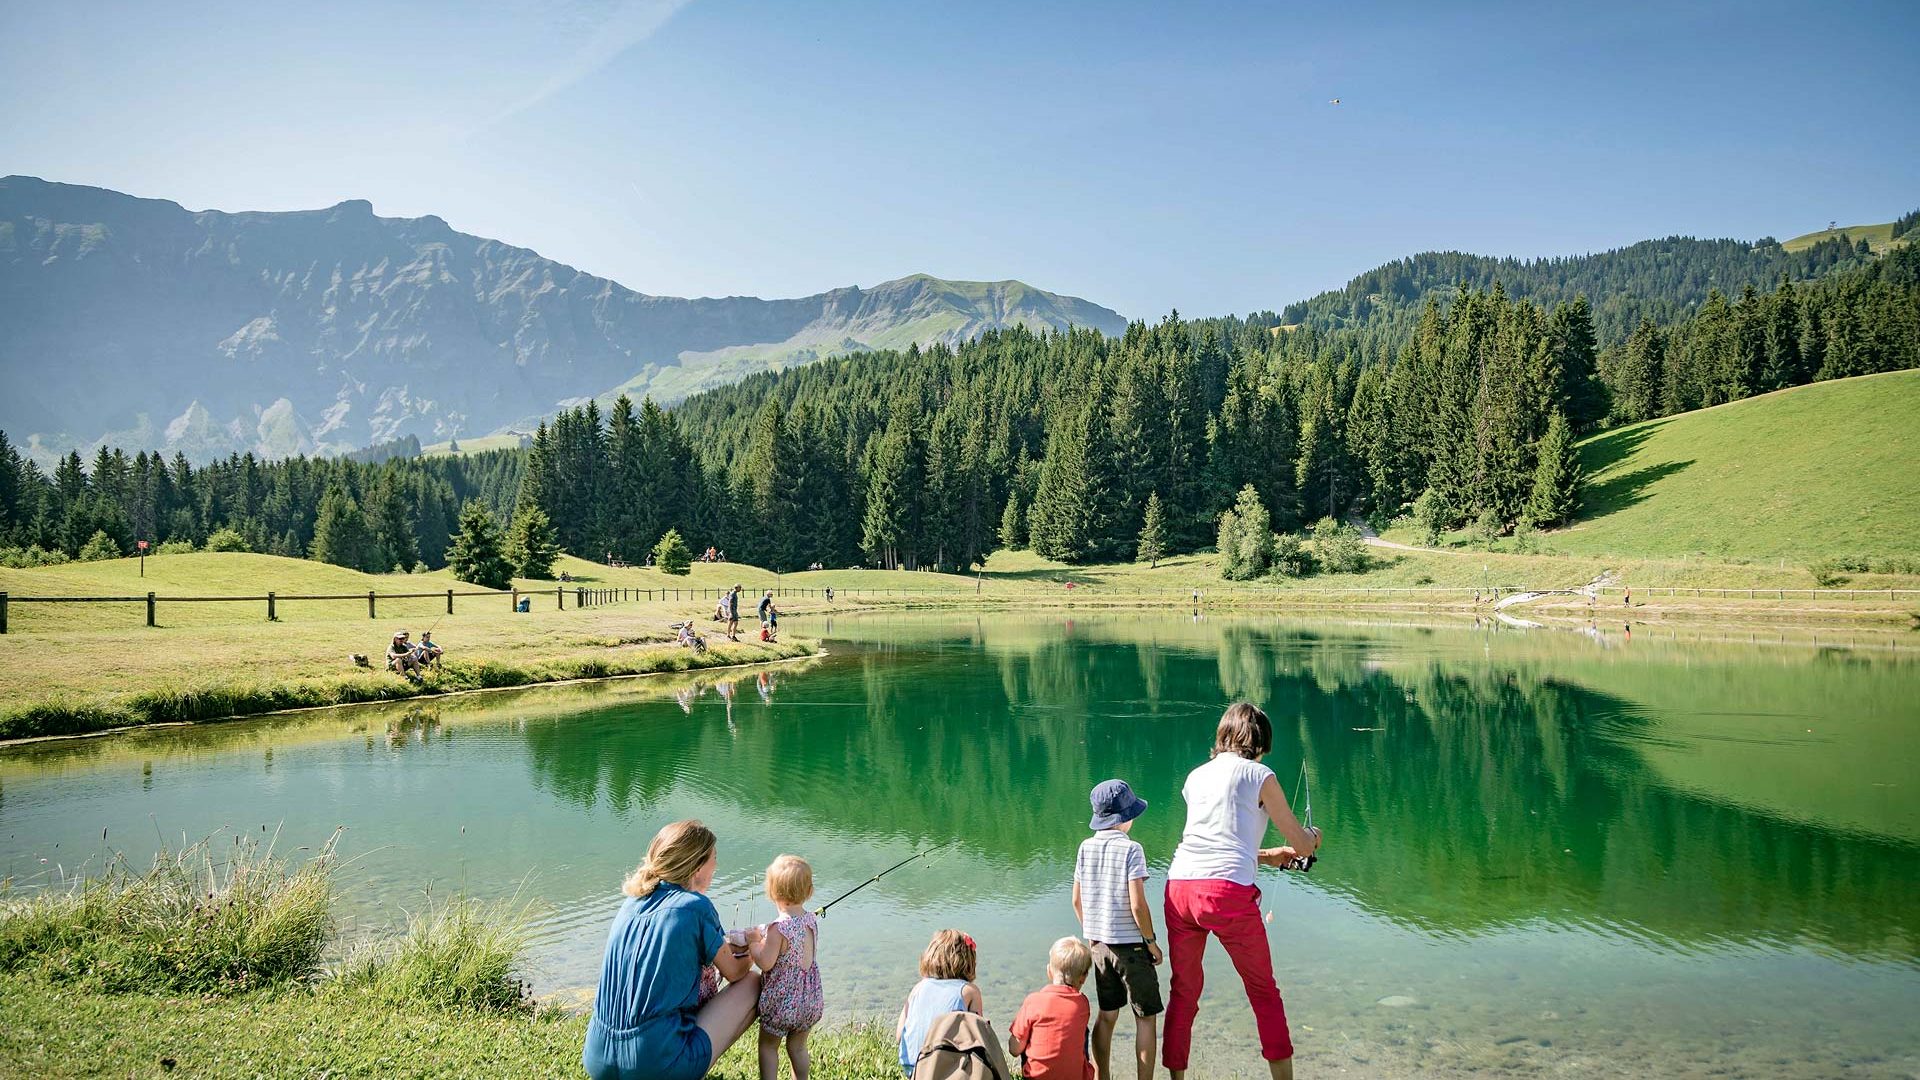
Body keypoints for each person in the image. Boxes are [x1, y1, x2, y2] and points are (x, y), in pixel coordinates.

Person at [1162, 703, 1321, 1080]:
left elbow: (1217, 842)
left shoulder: (1195, 776)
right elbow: (1301, 843)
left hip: (1180, 888)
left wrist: (1267, 857)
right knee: (1263, 992)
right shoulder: (1259, 775)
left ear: (1223, 736)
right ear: (1261, 741)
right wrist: (1312, 839)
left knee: (1184, 993)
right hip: (1226, 896)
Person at [582, 820, 762, 1080]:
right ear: (697, 867)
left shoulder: (632, 903)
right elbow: (735, 972)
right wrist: (752, 948)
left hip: (598, 1059)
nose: (717, 866)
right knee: (753, 984)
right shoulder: (696, 906)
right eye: (714, 858)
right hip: (654, 1064)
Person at [1074, 780, 1163, 1080]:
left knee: (1107, 1014)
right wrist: (1150, 942)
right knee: (1145, 1018)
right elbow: (1138, 905)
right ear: (1125, 817)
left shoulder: (1085, 847)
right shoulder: (1131, 850)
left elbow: (1076, 899)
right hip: (1132, 949)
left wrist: (1092, 931)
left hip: (1099, 945)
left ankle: (1103, 1077)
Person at [751, 855, 824, 1080]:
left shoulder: (778, 929)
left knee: (768, 1047)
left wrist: (754, 942)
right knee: (798, 1048)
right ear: (809, 891)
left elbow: (766, 962)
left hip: (783, 1003)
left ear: (772, 891)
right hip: (809, 999)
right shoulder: (811, 920)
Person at [896, 929, 985, 1075]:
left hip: (913, 1066)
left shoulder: (918, 988)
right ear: (969, 961)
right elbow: (979, 1039)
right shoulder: (969, 991)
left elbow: (900, 1035)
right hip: (945, 1069)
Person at [1008, 937, 1096, 1080]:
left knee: (1028, 1032)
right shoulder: (1083, 1003)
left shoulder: (1033, 1001)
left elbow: (1014, 1049)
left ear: (1049, 971)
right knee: (1082, 1031)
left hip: (1037, 1078)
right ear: (1083, 978)